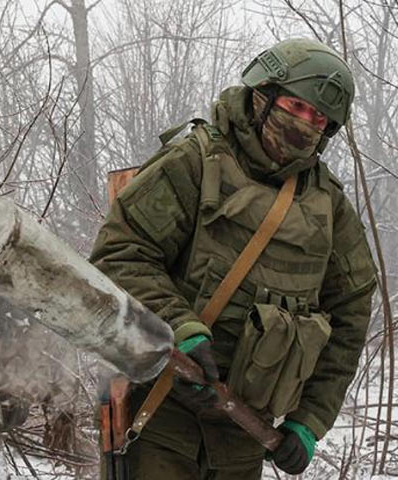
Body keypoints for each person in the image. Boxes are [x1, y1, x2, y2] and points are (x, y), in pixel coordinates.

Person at [90, 38, 377, 479]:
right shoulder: (195, 162)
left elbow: (350, 315)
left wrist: (310, 420)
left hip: (246, 434)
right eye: (297, 107)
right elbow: (121, 253)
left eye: (319, 118)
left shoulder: (329, 209)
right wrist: (180, 328)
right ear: (262, 95)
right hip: (162, 413)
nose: (306, 125)